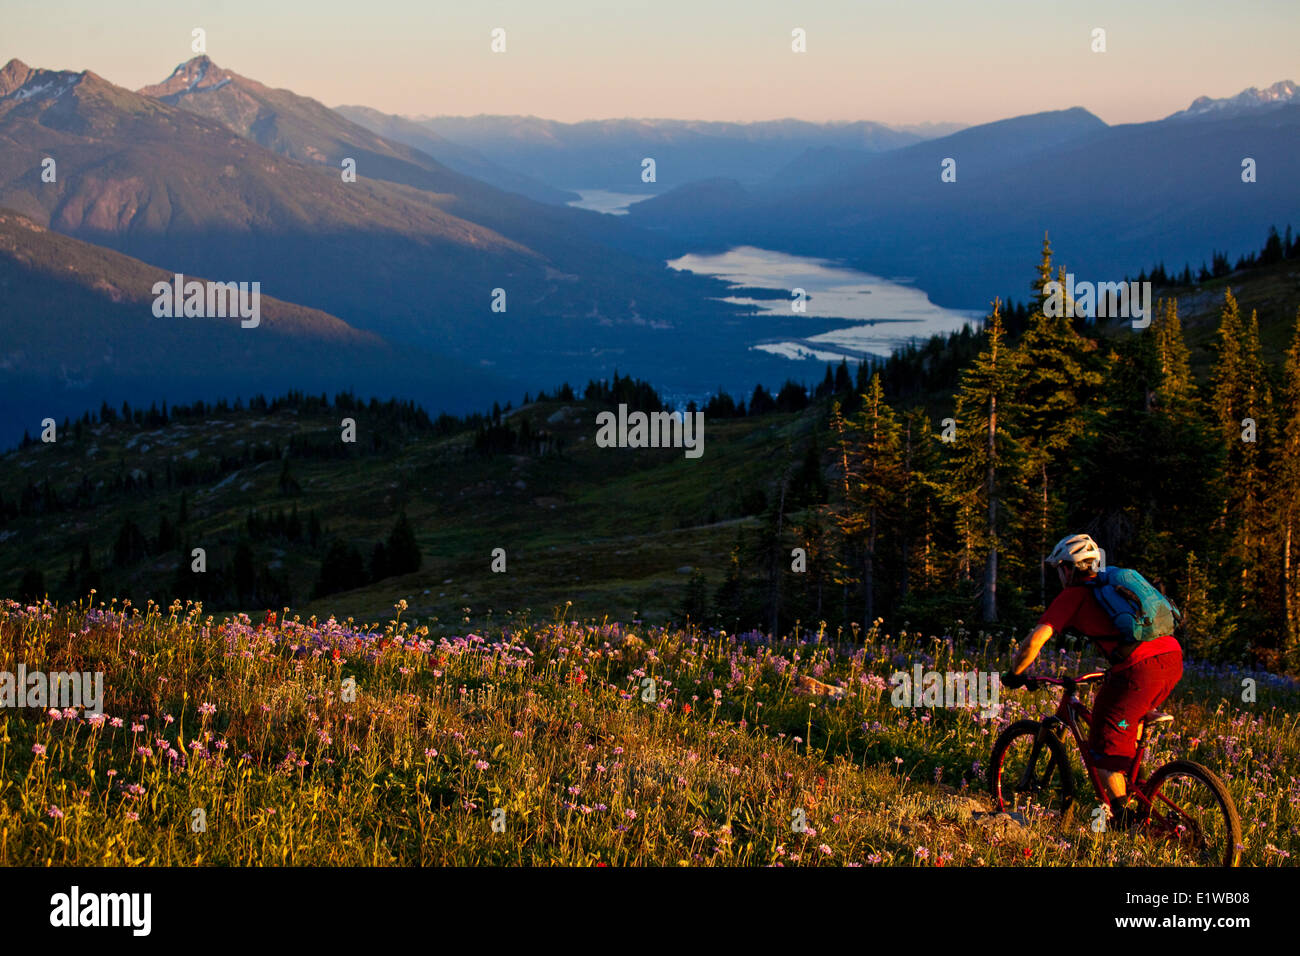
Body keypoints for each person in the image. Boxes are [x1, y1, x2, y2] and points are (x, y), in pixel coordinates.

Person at [1003, 533, 1183, 822]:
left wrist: (1015, 673)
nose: (1059, 574)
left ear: (1068, 568)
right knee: (1125, 722)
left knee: (1101, 744)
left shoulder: (1074, 595)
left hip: (1140, 669)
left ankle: (1124, 818)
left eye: (1060, 568)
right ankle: (1140, 793)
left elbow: (1034, 642)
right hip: (1172, 658)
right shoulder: (1112, 581)